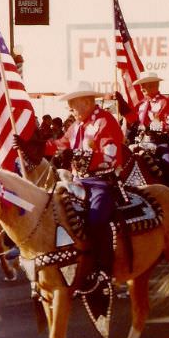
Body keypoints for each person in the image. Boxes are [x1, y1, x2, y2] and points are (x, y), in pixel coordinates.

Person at [36, 81, 125, 292]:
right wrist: (35, 146)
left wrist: (76, 155)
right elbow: (59, 145)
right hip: (77, 182)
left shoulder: (105, 121)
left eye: (73, 104)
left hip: (101, 182)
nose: (70, 109)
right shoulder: (76, 126)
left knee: (96, 219)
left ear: (86, 102)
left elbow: (110, 156)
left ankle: (104, 269)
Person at [116, 71, 169, 183]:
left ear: (154, 85)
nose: (141, 88)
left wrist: (151, 126)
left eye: (144, 85)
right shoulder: (141, 104)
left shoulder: (166, 102)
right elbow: (133, 120)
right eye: (141, 86)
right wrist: (122, 105)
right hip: (141, 142)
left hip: (160, 143)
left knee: (168, 162)